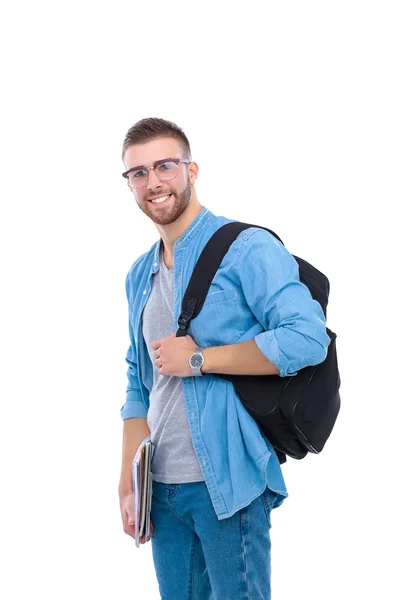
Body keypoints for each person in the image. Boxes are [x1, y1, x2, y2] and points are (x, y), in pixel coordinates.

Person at [118, 117, 330, 599]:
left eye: (165, 166)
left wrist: (199, 360)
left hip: (228, 484)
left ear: (192, 170)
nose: (153, 182)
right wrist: (128, 479)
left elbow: (306, 337)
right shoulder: (139, 275)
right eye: (138, 173)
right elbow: (138, 377)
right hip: (162, 491)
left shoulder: (246, 248)